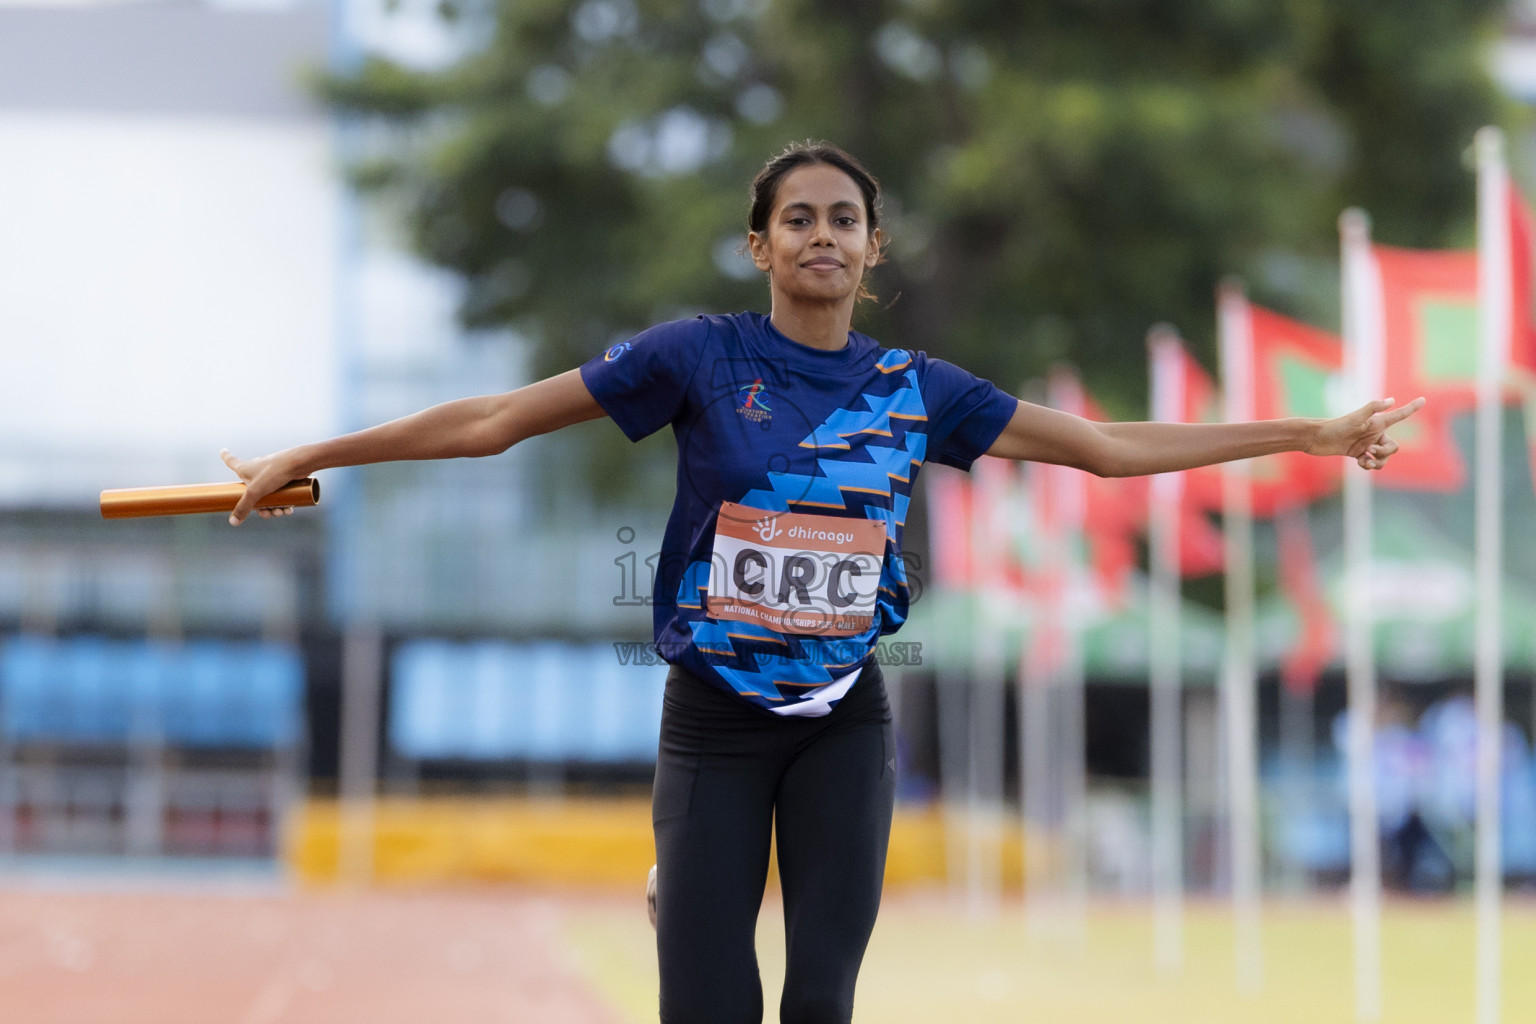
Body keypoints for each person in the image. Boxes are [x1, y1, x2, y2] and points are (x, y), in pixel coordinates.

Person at [222, 141, 1423, 1024]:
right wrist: (316, 453)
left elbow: (1106, 448)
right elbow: (494, 419)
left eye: (845, 219)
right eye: (796, 219)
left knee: (818, 1004)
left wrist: (1308, 434)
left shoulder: (917, 389)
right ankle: (688, 886)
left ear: (872, 247)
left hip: (845, 721)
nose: (822, 236)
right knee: (709, 1007)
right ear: (760, 245)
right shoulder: (697, 357)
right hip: (714, 721)